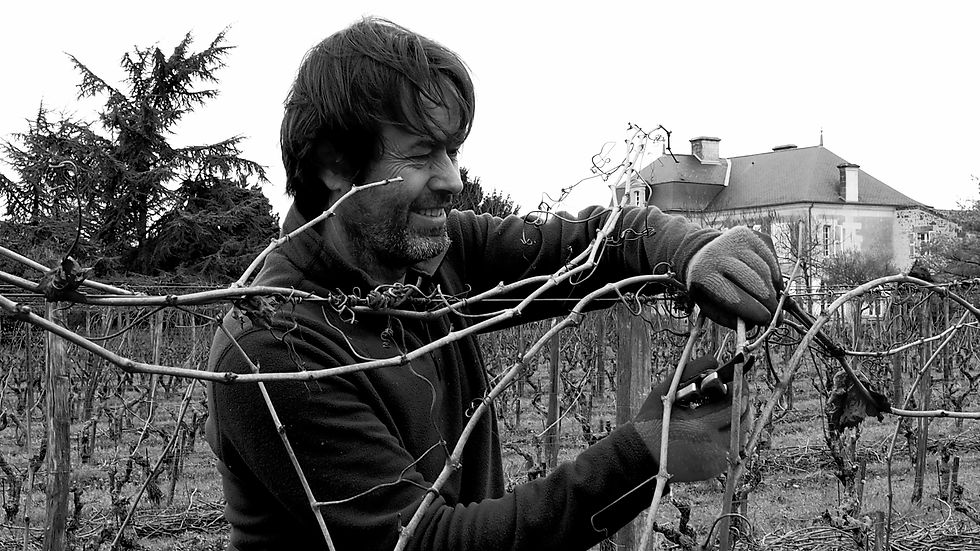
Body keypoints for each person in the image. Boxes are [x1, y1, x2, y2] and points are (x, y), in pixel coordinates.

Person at [205, 17, 782, 551]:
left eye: (452, 151)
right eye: (421, 154)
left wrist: (688, 248)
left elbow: (590, 246)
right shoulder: (272, 347)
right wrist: (642, 452)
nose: (453, 179)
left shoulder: (429, 262)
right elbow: (429, 542)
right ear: (335, 164)